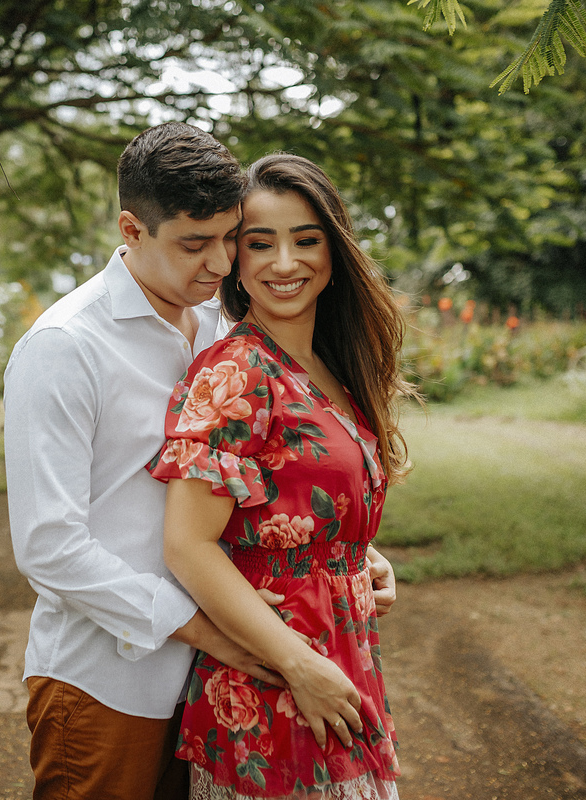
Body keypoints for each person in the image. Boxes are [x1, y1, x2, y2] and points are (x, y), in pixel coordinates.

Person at [5, 125, 398, 800]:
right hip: (110, 680)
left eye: (228, 239)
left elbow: (261, 481)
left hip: (215, 683)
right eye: (194, 244)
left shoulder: (221, 324)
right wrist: (208, 629)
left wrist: (347, 552)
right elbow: (49, 546)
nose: (219, 265)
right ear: (132, 229)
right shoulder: (65, 346)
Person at [148, 153, 421, 799]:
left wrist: (358, 554)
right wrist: (299, 666)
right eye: (260, 243)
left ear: (335, 249)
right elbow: (188, 544)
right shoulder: (236, 370)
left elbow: (291, 500)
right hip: (273, 678)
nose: (285, 262)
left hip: (340, 662)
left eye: (307, 240)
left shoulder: (331, 365)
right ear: (234, 259)